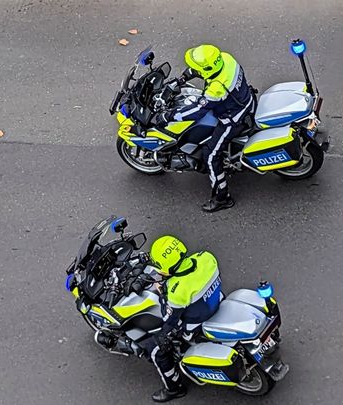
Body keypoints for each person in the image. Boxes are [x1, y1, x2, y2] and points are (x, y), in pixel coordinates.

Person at [155, 44, 255, 212]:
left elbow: (196, 111)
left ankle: (222, 198)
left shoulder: (217, 88)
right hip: (245, 99)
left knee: (211, 155)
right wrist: (181, 79)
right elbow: (201, 71)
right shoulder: (226, 59)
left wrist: (168, 116)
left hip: (234, 119)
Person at [140, 235, 222, 402]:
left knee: (155, 350)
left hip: (195, 325)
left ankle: (174, 388)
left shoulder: (176, 290)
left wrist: (162, 292)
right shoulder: (205, 257)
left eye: (158, 265)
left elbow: (169, 318)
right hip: (217, 301)